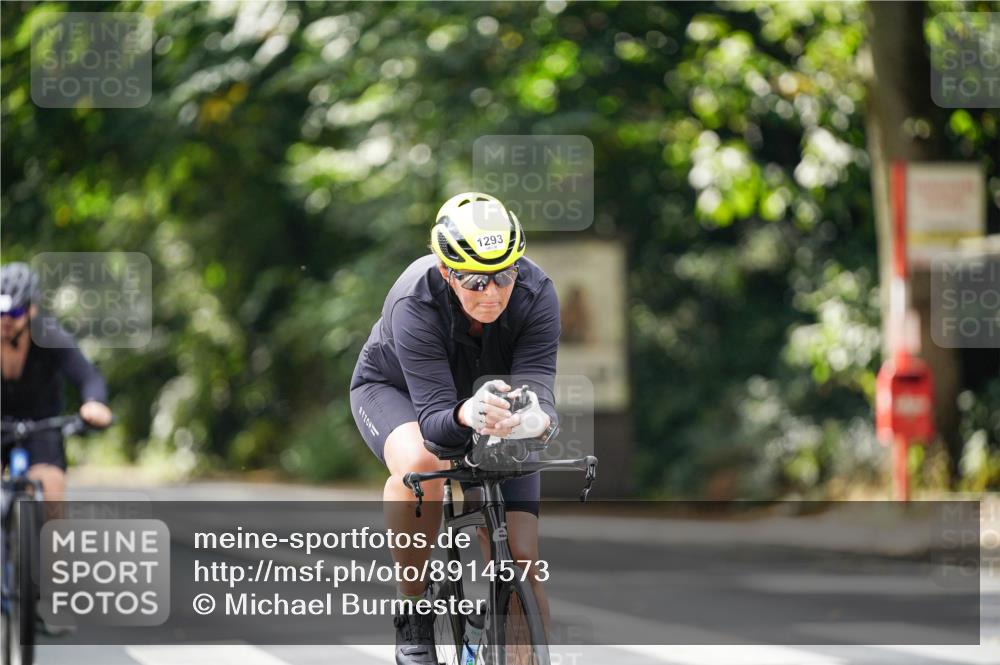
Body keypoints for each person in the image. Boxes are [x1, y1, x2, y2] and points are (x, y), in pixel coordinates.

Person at [350, 192, 560, 664]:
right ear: (446, 272)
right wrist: (467, 414)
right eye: (473, 280)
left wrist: (537, 418)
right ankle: (414, 611)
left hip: (489, 400)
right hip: (400, 393)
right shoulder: (414, 300)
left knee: (521, 554)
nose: (492, 293)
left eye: (504, 276)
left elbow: (540, 390)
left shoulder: (537, 293)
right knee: (423, 465)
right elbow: (436, 426)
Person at [1, 262, 113, 504]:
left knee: (49, 487)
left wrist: (94, 404)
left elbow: (88, 376)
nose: (6, 322)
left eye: (15, 313)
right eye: (0, 313)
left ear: (31, 310)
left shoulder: (49, 335)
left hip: (41, 425)